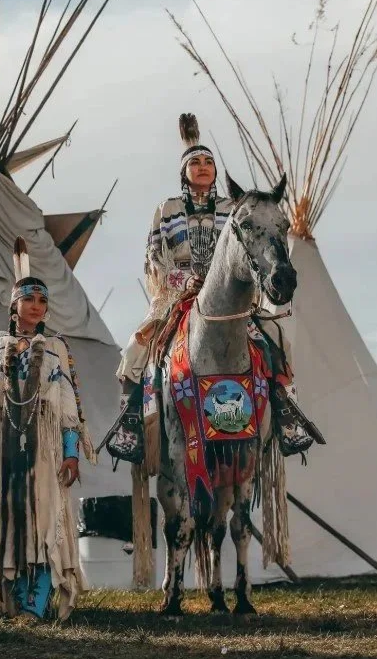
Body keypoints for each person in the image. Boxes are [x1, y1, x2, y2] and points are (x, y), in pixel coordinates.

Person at [115, 113, 313, 458]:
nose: (203, 167)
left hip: (231, 297)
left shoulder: (235, 208)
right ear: (184, 172)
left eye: (209, 162)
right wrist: (184, 280)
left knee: (278, 338)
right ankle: (132, 420)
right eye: (196, 162)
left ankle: (285, 412)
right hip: (178, 294)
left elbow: (251, 248)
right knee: (136, 347)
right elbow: (153, 259)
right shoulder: (167, 209)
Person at [0, 237, 93, 622]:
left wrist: (71, 452)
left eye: (42, 302)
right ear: (14, 305)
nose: (37, 307)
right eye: (29, 300)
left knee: (41, 521)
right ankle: (15, 597)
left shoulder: (56, 349)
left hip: (45, 448)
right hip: (4, 444)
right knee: (8, 521)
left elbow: (70, 409)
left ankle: (35, 604)